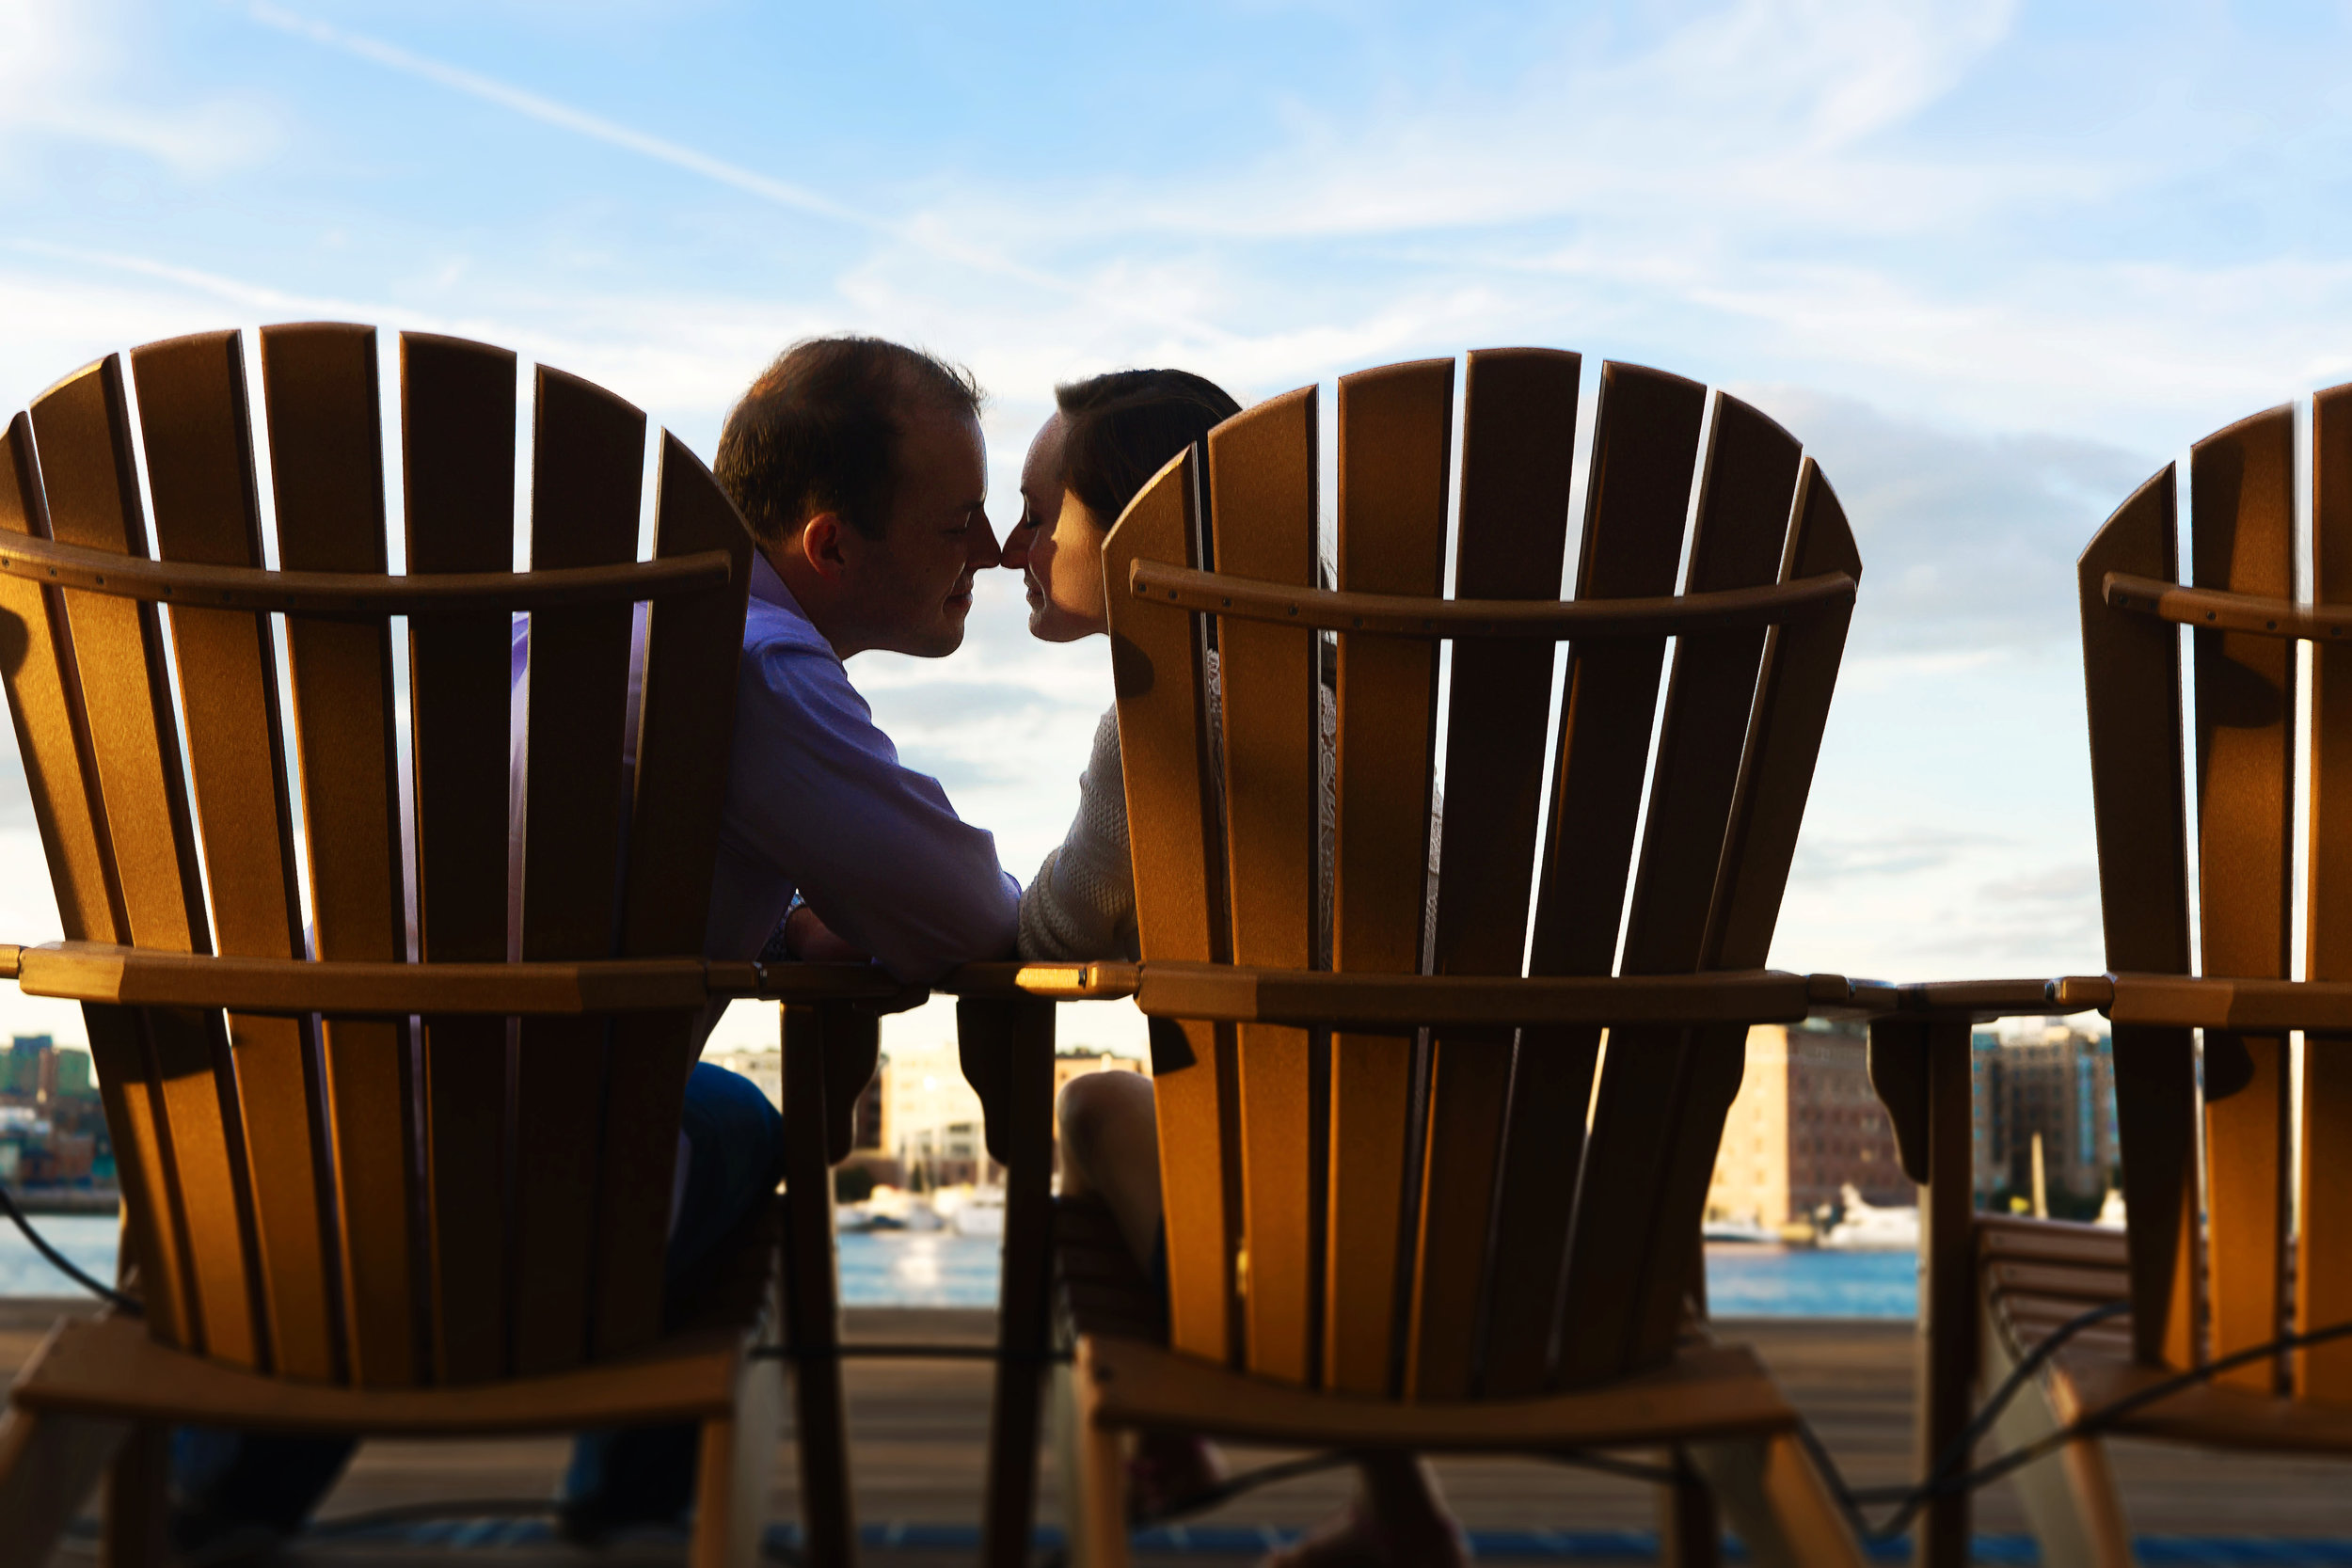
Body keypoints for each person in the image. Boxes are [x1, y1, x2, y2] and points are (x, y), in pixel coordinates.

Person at [169, 336, 1021, 1555]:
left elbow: (516, 894)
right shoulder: (754, 665)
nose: (988, 551)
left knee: (488, 1132)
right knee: (736, 1119)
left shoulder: (574, 632)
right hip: (502, 1222)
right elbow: (974, 925)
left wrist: (773, 924)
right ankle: (630, 1512)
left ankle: (224, 1498)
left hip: (262, 1167)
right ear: (831, 544)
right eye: (959, 523)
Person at [1002, 371, 1467, 1568]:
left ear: (1135, 523)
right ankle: (1398, 1514)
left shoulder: (1158, 716)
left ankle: (1169, 1435)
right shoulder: (1364, 713)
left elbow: (1051, 936)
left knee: (1095, 1100)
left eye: (1040, 509)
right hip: (1501, 1230)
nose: (1013, 543)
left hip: (1305, 1273)